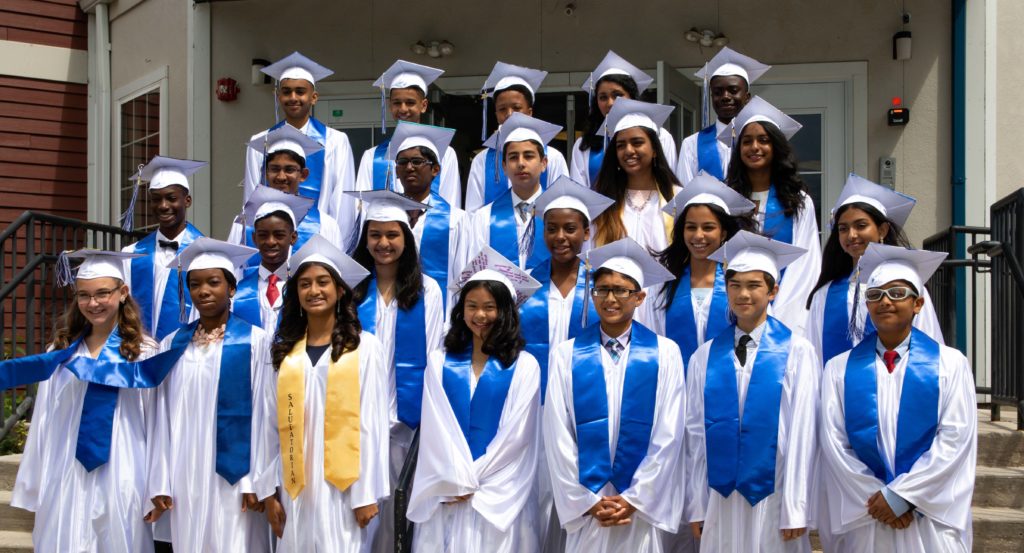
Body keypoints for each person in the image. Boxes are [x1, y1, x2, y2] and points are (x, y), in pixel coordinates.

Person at [5, 250, 166, 553]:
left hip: (125, 468)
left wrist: (156, 487)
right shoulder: (62, 351)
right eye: (84, 295)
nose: (93, 303)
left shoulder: (143, 353)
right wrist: (36, 480)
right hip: (66, 470)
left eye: (103, 293)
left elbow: (157, 423)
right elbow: (43, 419)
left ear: (123, 293)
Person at [818, 244, 975, 552]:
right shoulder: (839, 369)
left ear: (917, 304)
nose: (885, 302)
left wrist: (904, 496)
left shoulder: (951, 363)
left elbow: (956, 440)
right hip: (867, 515)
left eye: (897, 294)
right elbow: (835, 445)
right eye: (874, 295)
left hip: (928, 518)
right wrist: (878, 499)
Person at [544, 237, 686, 553]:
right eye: (602, 289)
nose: (610, 298)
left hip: (637, 508)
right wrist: (586, 500)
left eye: (621, 290)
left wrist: (636, 498)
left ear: (639, 297)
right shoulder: (567, 355)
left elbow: (669, 433)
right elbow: (557, 434)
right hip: (588, 504)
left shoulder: (665, 353)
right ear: (592, 295)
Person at [685, 230, 818, 552]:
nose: (743, 294)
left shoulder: (797, 351)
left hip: (776, 490)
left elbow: (803, 431)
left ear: (773, 290)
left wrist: (796, 506)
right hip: (720, 495)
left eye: (754, 285)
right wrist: (697, 503)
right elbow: (695, 436)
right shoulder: (704, 356)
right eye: (735, 285)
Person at [407, 246, 543, 551]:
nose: (480, 315)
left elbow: (517, 439)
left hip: (497, 497)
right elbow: (435, 430)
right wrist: (452, 479)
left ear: (506, 311)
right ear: (461, 309)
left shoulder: (524, 367)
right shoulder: (439, 362)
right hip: (448, 491)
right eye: (471, 306)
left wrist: (471, 481)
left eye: (490, 307)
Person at [261, 235, 390, 553]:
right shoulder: (285, 352)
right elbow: (267, 426)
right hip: (294, 483)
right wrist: (268, 492)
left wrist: (366, 493)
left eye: (322, 282)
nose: (313, 291)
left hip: (343, 487)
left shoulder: (364, 347)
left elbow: (373, 423)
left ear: (340, 289)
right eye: (304, 284)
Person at [146, 238, 276, 552]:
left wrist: (255, 481)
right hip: (185, 469)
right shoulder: (172, 344)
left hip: (235, 474)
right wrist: (160, 479)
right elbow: (159, 414)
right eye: (195, 284)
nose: (204, 291)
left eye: (214, 283)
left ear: (232, 289)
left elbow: (265, 415)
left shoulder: (256, 342)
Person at [348, 190, 445, 553]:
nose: (383, 243)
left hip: (407, 425)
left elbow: (435, 358)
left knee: (398, 523)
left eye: (392, 235)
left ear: (407, 238)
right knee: (360, 517)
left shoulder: (429, 292)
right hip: (357, 422)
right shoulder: (351, 290)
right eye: (375, 235)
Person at [520, 176, 612, 552]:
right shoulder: (525, 285)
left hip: (587, 406)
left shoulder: (603, 285)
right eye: (552, 228)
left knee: (580, 490)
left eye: (570, 228)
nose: (561, 237)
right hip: (534, 408)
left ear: (587, 231)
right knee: (538, 495)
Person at [806, 173, 943, 366]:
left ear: (882, 230)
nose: (851, 235)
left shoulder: (907, 287)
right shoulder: (824, 295)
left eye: (861, 226)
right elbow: (813, 361)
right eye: (843, 229)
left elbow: (928, 349)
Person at [723, 96, 821, 334]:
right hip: (733, 309)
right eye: (747, 141)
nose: (754, 147)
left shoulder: (798, 201)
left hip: (786, 310)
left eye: (763, 140)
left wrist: (779, 310)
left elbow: (807, 264)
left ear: (776, 147)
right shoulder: (726, 201)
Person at [652, 173, 756, 368]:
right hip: (677, 388)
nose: (698, 236)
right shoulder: (664, 285)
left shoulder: (738, 283)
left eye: (708, 227)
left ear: (723, 233)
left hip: (727, 387)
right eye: (691, 227)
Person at [245, 51, 357, 223]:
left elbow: (343, 203)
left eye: (300, 91)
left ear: (313, 98)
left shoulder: (336, 141)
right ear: (278, 96)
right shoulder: (261, 142)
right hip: (270, 238)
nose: (293, 98)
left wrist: (333, 244)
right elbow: (252, 196)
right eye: (287, 92)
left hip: (322, 237)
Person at [385, 121, 472, 311]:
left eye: (417, 161)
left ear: (435, 170)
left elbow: (462, 277)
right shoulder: (385, 218)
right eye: (402, 162)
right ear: (396, 171)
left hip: (441, 318)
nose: (409, 167)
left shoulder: (456, 220)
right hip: (391, 314)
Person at [354, 60, 462, 207]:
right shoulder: (372, 157)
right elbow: (363, 208)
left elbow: (450, 205)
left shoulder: (445, 154)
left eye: (410, 103)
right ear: (390, 105)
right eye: (397, 103)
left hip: (430, 228)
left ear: (423, 106)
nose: (403, 109)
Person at [121, 156, 206, 340]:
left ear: (187, 201)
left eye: (171, 198)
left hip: (189, 351)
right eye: (156, 199)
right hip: (141, 352)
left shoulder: (205, 253)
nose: (163, 206)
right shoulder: (131, 255)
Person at [465, 61, 569, 211]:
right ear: (495, 114)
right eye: (502, 109)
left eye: (516, 108)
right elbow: (472, 215)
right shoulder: (481, 161)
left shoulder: (553, 157)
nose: (509, 114)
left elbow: (562, 206)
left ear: (529, 112)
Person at [231, 124, 347, 253]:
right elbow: (234, 270)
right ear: (264, 173)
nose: (281, 177)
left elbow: (335, 271)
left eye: (289, 170)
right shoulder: (244, 223)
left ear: (303, 175)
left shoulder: (326, 225)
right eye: (274, 169)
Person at [468, 112, 562, 270]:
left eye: (528, 156)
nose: (520, 163)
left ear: (544, 163)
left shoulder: (559, 214)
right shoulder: (483, 218)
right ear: (504, 167)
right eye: (513, 157)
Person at [571, 50, 677, 187]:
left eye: (617, 95)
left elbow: (667, 184)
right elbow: (580, 190)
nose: (610, 103)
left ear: (632, 97)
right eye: (603, 97)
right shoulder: (585, 144)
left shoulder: (660, 136)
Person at [591, 98, 680, 251]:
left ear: (654, 150)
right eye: (621, 145)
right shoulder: (603, 200)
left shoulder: (677, 198)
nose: (629, 151)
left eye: (637, 143)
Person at [675, 47, 769, 183]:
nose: (725, 97)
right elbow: (684, 195)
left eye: (733, 90)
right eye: (718, 92)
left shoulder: (761, 143)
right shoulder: (692, 144)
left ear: (747, 97)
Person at [231, 187, 312, 334]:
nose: (270, 242)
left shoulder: (304, 287)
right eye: (263, 235)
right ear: (254, 239)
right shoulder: (239, 291)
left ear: (293, 238)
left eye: (279, 235)